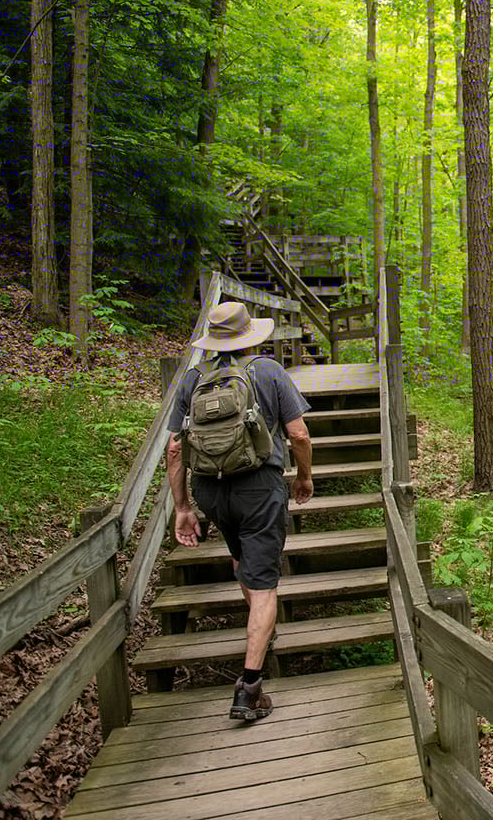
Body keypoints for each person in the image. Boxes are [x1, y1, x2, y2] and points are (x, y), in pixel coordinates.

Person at [165, 301, 314, 720]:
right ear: (251, 334)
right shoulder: (267, 371)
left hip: (211, 490)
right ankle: (249, 688)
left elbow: (176, 447)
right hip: (259, 487)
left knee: (242, 562)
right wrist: (303, 478)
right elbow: (298, 434)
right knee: (265, 584)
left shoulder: (194, 378)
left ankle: (258, 630)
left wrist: (182, 507)